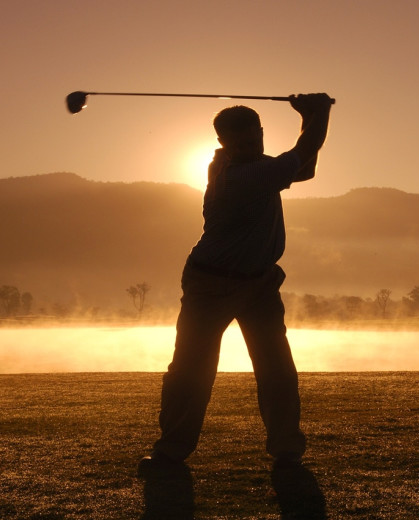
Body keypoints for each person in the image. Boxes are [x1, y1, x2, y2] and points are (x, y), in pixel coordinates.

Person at [139, 93, 333, 474]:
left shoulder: (242, 163)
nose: (250, 147)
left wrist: (309, 117)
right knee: (191, 368)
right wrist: (319, 113)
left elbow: (304, 168)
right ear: (224, 143)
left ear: (261, 133)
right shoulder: (243, 174)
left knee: (276, 367)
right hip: (211, 282)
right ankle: (171, 452)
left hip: (259, 282)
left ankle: (287, 453)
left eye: (255, 140)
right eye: (241, 143)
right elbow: (305, 151)